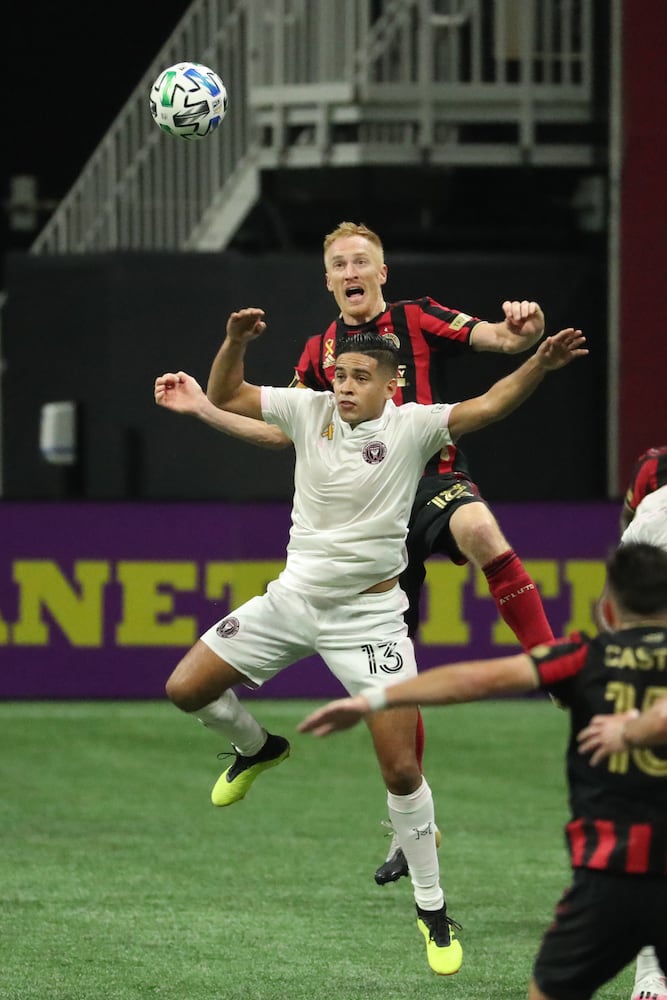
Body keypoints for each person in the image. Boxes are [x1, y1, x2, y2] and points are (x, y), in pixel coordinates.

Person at [154, 309, 586, 976]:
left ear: (391, 386)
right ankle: (257, 748)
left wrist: (537, 364)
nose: (346, 385)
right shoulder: (310, 410)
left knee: (401, 770)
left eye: (360, 377)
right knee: (184, 689)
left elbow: (490, 403)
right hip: (291, 603)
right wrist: (235, 342)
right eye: (340, 373)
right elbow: (229, 394)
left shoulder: (413, 426)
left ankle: (432, 911)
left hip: (370, 622)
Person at [206, 221, 557, 885]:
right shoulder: (318, 353)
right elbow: (280, 432)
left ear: (381, 273)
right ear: (329, 279)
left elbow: (502, 339)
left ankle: (550, 665)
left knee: (482, 534)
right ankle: (405, 827)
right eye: (338, 262)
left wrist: (525, 325)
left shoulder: (416, 318)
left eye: (361, 260)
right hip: (363, 517)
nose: (350, 270)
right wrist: (207, 408)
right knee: (397, 688)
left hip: (427, 475)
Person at [298, 542, 667, 1000]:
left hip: (609, 879)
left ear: (607, 607)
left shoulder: (583, 657)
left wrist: (376, 697)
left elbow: (477, 679)